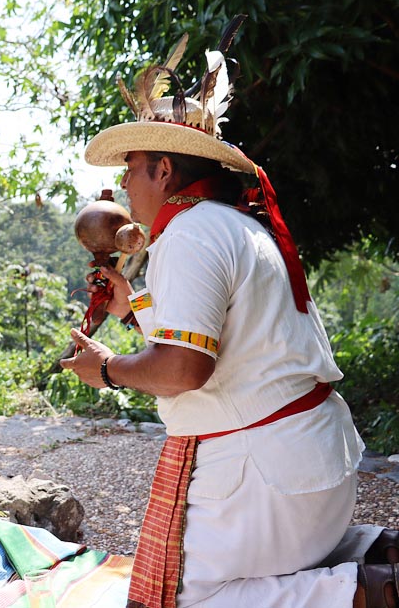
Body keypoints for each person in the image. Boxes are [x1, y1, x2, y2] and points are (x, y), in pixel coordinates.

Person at [58, 38, 399, 608]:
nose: (123, 187)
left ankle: (368, 588)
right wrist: (129, 305)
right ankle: (371, 549)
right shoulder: (232, 226)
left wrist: (109, 370)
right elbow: (218, 342)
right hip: (316, 470)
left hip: (276, 482)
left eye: (132, 171)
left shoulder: (188, 237)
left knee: (180, 599)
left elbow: (187, 367)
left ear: (164, 171)